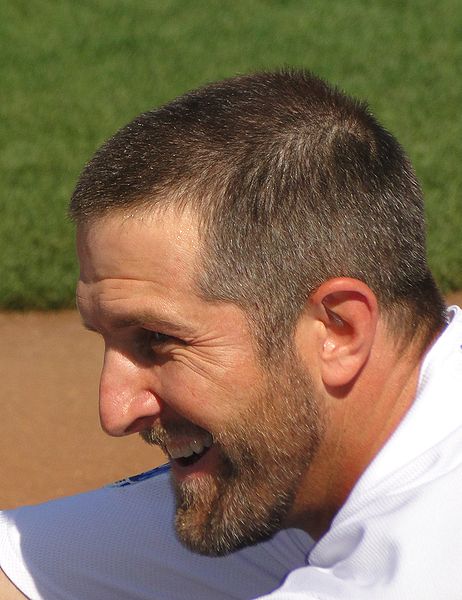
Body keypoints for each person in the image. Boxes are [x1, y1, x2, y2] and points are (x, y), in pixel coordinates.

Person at [1, 69, 461, 599]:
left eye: (158, 339)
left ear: (339, 328)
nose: (115, 410)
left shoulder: (408, 574)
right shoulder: (325, 458)